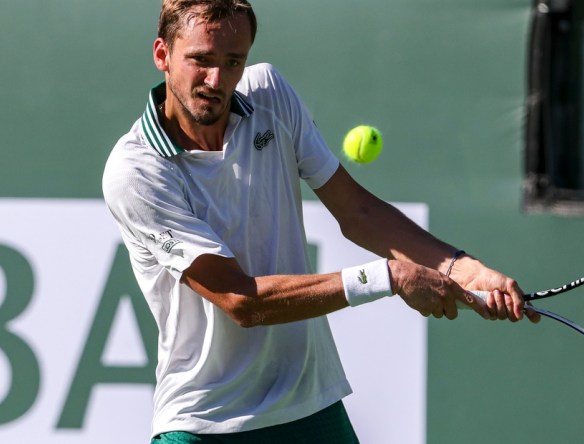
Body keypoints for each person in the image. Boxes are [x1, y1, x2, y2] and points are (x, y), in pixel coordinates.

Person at [102, 0, 539, 442]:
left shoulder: (269, 93)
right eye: (201, 60)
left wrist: (463, 269)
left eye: (233, 62)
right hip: (205, 422)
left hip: (310, 408)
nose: (216, 80)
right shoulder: (136, 172)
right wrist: (388, 276)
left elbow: (358, 211)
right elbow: (242, 301)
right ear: (162, 54)